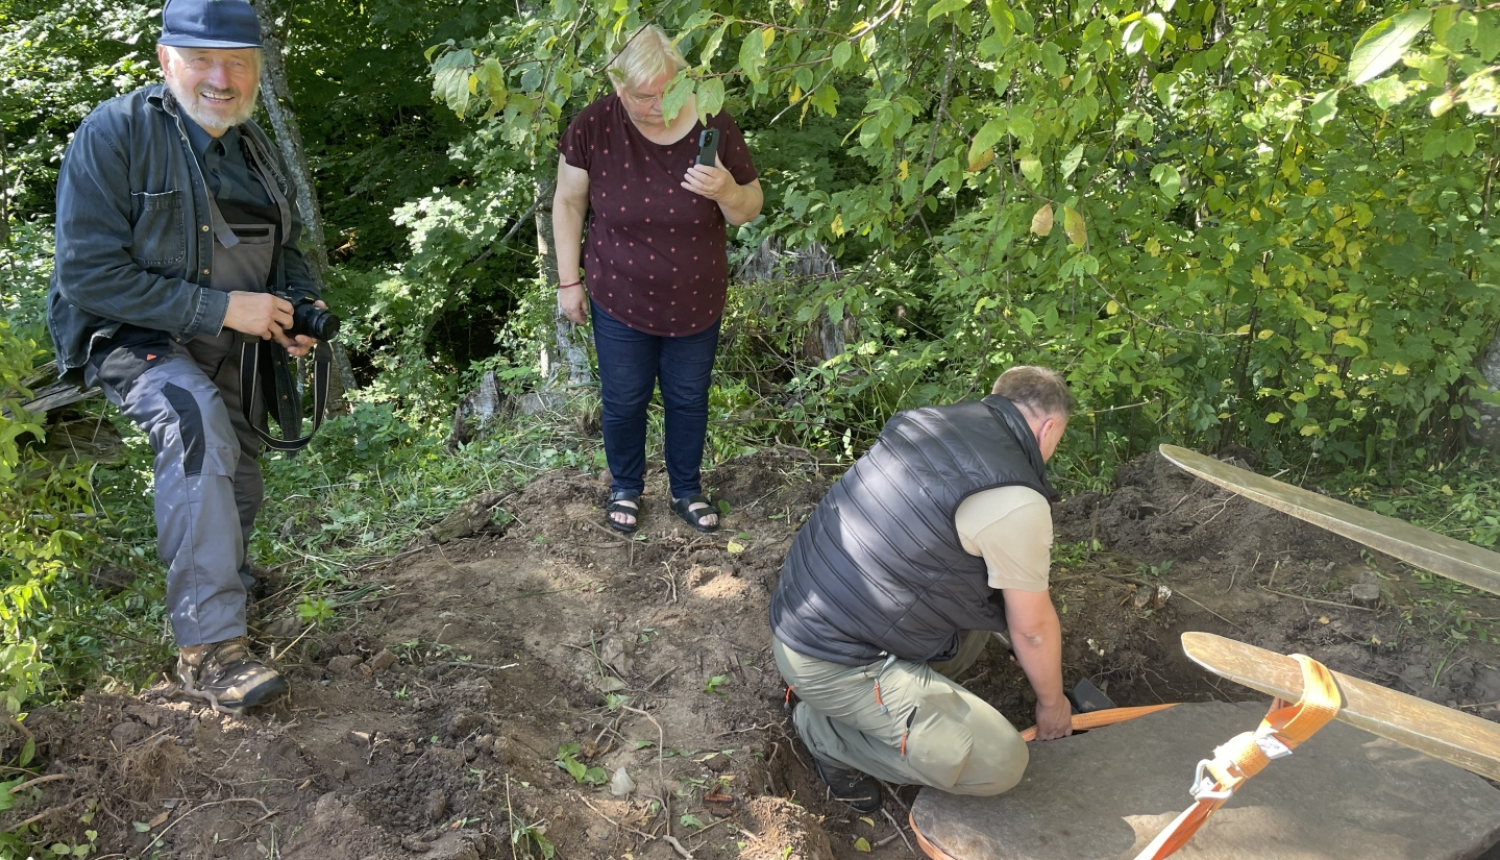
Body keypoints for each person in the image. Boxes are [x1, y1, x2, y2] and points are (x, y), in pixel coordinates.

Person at [48, 0, 329, 713]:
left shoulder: (253, 145)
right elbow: (88, 276)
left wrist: (295, 308)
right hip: (129, 336)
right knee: (195, 422)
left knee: (237, 467)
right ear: (165, 58)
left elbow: (284, 246)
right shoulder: (113, 133)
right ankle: (210, 652)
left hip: (233, 335)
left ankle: (223, 575)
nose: (220, 77)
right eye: (201, 58)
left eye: (237, 61)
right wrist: (224, 309)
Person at [769, 366, 1075, 812]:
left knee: (978, 630)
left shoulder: (932, 423)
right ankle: (824, 731)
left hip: (805, 613)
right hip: (832, 659)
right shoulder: (1013, 499)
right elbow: (1032, 631)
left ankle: (875, 708)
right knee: (1001, 762)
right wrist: (1053, 704)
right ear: (1049, 427)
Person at [553, 25, 763, 536]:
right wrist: (568, 281)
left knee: (689, 399)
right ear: (619, 89)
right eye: (644, 97)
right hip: (618, 293)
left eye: (669, 91)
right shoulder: (594, 125)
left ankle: (686, 489)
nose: (659, 105)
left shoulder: (713, 121)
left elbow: (748, 211)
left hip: (696, 298)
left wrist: (728, 190)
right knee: (624, 400)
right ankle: (626, 486)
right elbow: (568, 201)